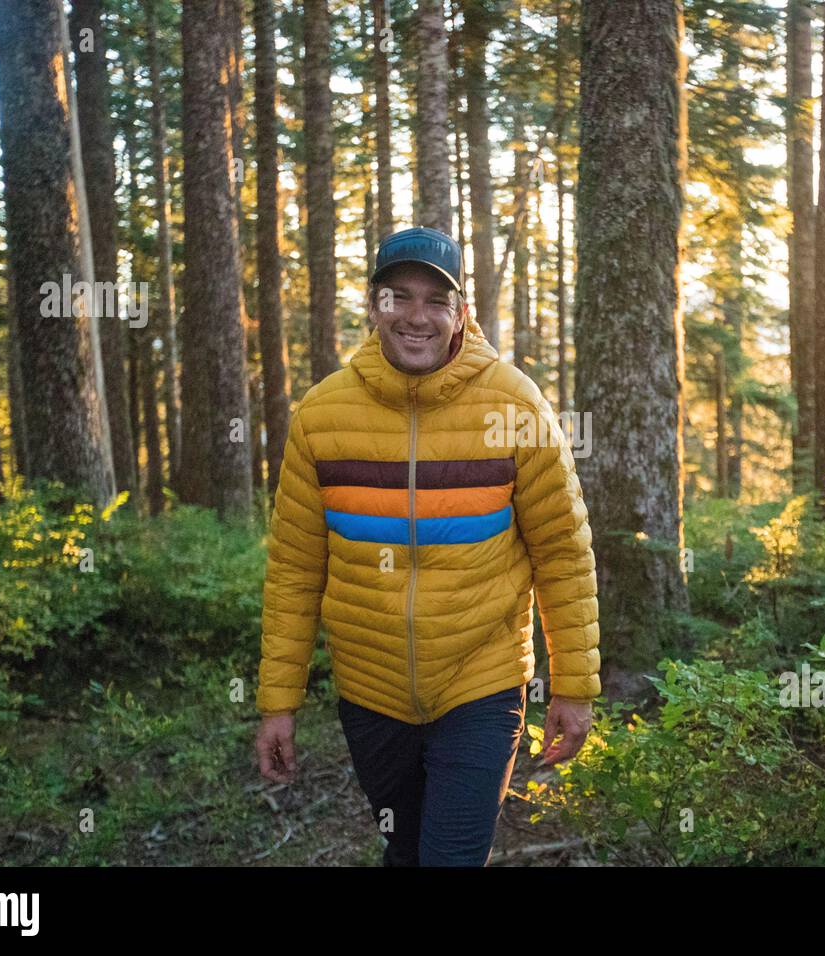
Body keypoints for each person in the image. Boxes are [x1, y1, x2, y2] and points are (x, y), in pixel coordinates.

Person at [253, 226, 602, 866]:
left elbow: (563, 554)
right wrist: (280, 701)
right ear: (373, 308)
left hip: (483, 683)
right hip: (370, 691)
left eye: (435, 301)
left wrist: (574, 687)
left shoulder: (515, 405)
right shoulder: (321, 416)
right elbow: (296, 570)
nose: (417, 317)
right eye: (398, 297)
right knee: (406, 850)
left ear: (461, 313)